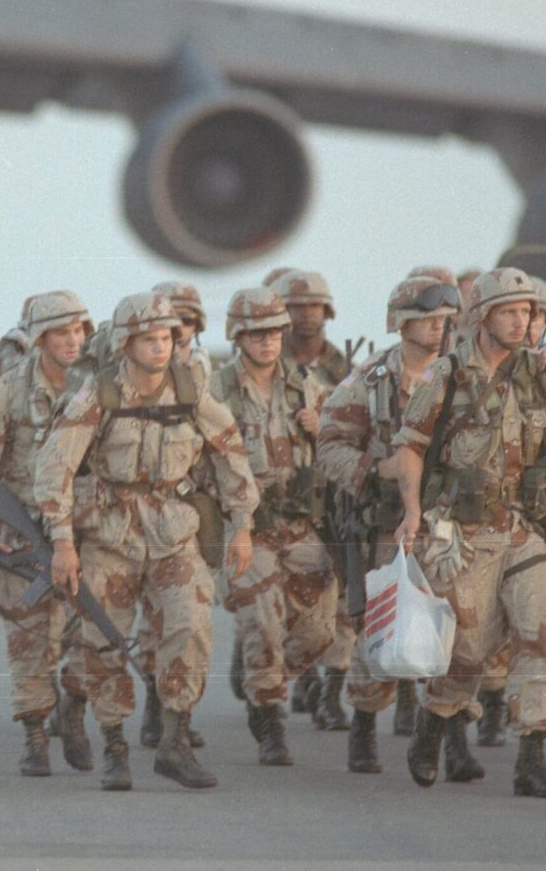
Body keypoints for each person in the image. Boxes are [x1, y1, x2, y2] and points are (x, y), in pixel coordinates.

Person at [34, 292, 259, 791]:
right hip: (108, 535)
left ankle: (174, 741)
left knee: (191, 624)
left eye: (167, 338)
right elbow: (55, 470)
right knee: (103, 640)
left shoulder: (191, 390)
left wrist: (241, 524)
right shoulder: (98, 396)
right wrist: (63, 543)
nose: (160, 348)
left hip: (174, 531)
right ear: (125, 343)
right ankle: (115, 745)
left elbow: (231, 454)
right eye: (149, 339)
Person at [391, 268, 546, 798]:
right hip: (460, 532)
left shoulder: (537, 372)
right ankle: (434, 718)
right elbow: (409, 446)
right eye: (511, 312)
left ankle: (531, 758)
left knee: (537, 634)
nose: (523, 322)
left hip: (521, 527)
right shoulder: (445, 376)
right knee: (469, 652)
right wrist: (411, 512)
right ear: (482, 317)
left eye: (528, 312)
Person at [315, 274, 461, 774]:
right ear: (402, 323)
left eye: (444, 316)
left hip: (455, 521)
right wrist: (377, 470)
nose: (438, 325)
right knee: (384, 625)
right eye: (427, 316)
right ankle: (363, 720)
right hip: (388, 524)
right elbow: (329, 446)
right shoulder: (371, 380)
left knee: (462, 627)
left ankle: (452, 730)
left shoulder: (463, 374)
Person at [0, 290, 95, 777]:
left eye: (78, 330)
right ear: (39, 339)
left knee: (92, 631)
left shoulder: (97, 388)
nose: (73, 341)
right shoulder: (8, 392)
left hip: (85, 531)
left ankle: (73, 709)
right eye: (62, 332)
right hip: (20, 530)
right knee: (29, 637)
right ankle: (35, 733)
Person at [211, 287, 333, 767]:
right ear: (238, 336)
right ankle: (269, 718)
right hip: (249, 527)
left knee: (321, 631)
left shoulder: (307, 384)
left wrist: (320, 427)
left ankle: (264, 674)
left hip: (301, 523)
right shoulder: (217, 390)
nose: (267, 342)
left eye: (274, 332)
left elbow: (342, 444)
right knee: (263, 624)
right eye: (256, 333)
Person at [273, 269, 353, 729]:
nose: (306, 315)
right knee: (289, 607)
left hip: (332, 499)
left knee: (340, 601)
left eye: (314, 306)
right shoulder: (266, 366)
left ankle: (332, 691)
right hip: (283, 506)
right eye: (296, 306)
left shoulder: (346, 370)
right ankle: (288, 677)